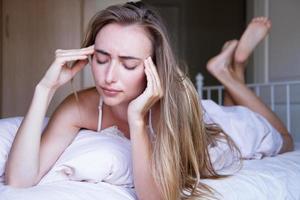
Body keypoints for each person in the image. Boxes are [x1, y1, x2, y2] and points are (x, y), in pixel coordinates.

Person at [3, 2, 293, 200]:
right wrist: (44, 89)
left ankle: (228, 74)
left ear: (153, 67)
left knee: (285, 139)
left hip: (213, 125)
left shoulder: (177, 104)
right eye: (101, 59)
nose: (108, 76)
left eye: (128, 64)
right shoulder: (81, 105)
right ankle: (233, 68)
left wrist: (138, 120)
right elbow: (19, 180)